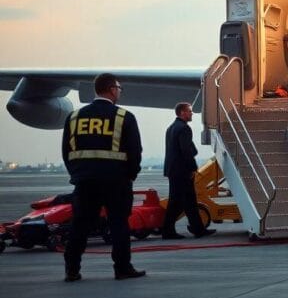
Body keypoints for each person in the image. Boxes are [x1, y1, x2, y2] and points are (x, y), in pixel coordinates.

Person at [60, 73, 145, 281]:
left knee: (80, 225)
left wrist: (78, 174)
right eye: (119, 88)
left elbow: (66, 151)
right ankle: (122, 268)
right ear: (112, 89)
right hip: (116, 181)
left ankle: (72, 269)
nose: (119, 92)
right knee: (118, 224)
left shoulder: (74, 117)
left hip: (85, 181)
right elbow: (135, 152)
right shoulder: (124, 117)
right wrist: (130, 176)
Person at [161, 102, 216, 239]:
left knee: (186, 201)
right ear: (182, 113)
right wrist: (193, 168)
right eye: (189, 111)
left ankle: (197, 229)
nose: (192, 113)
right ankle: (169, 230)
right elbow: (186, 150)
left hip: (173, 170)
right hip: (182, 170)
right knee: (181, 201)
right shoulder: (184, 128)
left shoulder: (171, 127)